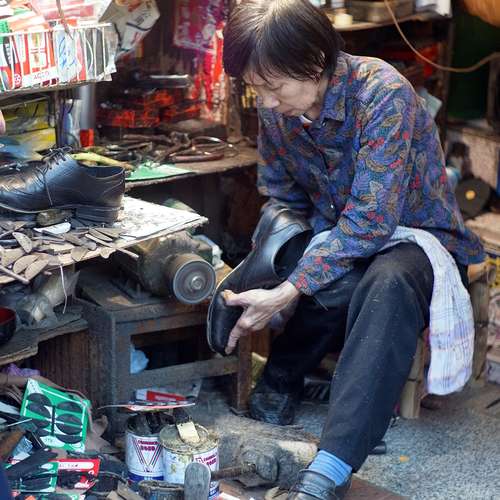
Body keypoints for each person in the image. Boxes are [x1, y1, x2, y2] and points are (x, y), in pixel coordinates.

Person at [221, 1, 485, 499]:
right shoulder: (279, 112)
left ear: (315, 60)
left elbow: (372, 222)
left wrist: (290, 289)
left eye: (275, 87)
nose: (268, 103)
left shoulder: (382, 94)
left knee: (384, 281)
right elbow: (282, 196)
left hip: (416, 238)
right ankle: (284, 381)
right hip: (341, 234)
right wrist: (261, 269)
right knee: (313, 265)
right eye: (257, 88)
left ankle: (331, 466)